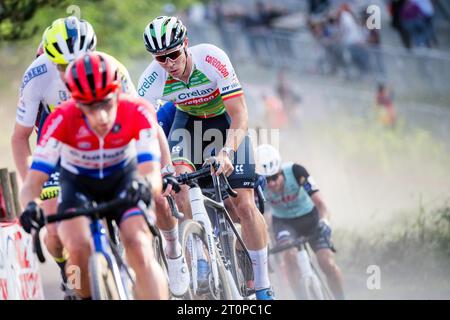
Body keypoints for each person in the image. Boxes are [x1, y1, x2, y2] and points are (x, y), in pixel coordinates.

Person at [138, 16, 274, 299]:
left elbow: (239, 115)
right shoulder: (152, 79)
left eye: (173, 54)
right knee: (178, 185)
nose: (168, 63)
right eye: (160, 58)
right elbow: (145, 132)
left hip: (224, 124)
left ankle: (262, 287)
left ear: (185, 45)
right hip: (186, 125)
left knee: (244, 206)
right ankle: (202, 255)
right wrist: (158, 170)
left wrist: (226, 152)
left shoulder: (212, 58)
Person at [19, 52, 169, 300]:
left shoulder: (137, 110)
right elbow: (33, 181)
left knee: (139, 246)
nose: (101, 116)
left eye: (106, 103)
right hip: (79, 185)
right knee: (76, 250)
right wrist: (30, 205)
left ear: (117, 93)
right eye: (89, 106)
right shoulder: (61, 118)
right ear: (75, 101)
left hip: (124, 178)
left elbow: (151, 173)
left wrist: (146, 186)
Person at [255, 144, 345, 300]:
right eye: (266, 179)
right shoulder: (258, 186)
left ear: (281, 171)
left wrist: (325, 222)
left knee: (327, 263)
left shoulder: (297, 171)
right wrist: (266, 245)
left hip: (310, 219)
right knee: (289, 257)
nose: (271, 184)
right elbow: (262, 219)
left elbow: (321, 204)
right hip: (284, 224)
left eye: (275, 177)